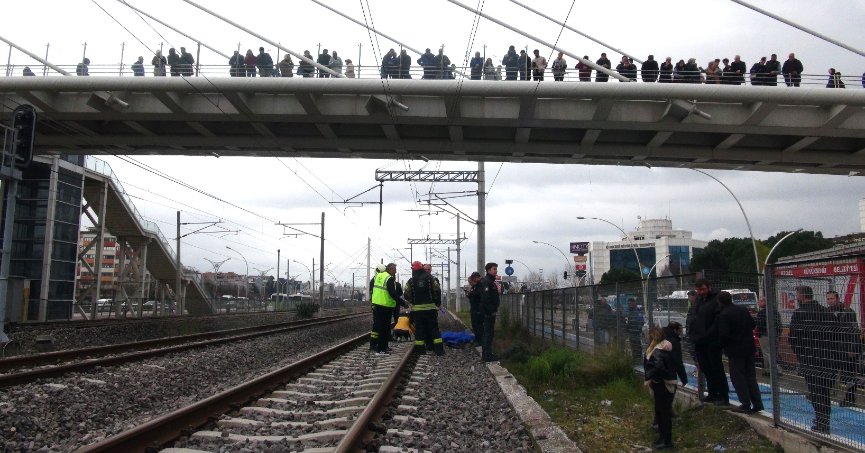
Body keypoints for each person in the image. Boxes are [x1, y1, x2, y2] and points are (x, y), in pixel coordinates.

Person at [788, 285, 836, 434]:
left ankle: (821, 422)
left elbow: (793, 338)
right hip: (827, 359)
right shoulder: (826, 312)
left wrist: (801, 355)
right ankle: (824, 421)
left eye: (797, 296)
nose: (796, 298)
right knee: (824, 392)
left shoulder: (799, 314)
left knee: (815, 392)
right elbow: (835, 336)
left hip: (810, 359)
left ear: (802, 296)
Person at [716, 291, 764, 413]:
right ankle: (757, 403)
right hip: (749, 347)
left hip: (735, 350)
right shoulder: (742, 310)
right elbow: (753, 324)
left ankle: (745, 403)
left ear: (720, 302)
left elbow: (724, 335)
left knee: (738, 377)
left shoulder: (723, 314)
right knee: (751, 376)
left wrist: (720, 346)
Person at [688, 279, 729, 405]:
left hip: (712, 341)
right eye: (699, 290)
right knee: (706, 368)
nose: (700, 292)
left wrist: (708, 334)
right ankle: (712, 393)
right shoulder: (699, 301)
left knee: (716, 368)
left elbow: (718, 321)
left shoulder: (716, 299)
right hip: (699, 341)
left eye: (703, 289)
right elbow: (694, 317)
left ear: (709, 288)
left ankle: (723, 395)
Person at [644, 326, 676, 450]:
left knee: (663, 413)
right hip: (665, 383)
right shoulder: (664, 348)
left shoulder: (657, 350)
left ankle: (666, 441)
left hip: (661, 384)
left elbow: (657, 366)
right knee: (662, 412)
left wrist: (650, 377)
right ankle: (663, 438)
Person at [826, 290, 860, 406]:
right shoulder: (827, 312)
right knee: (830, 372)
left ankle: (850, 399)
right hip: (833, 349)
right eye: (828, 299)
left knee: (848, 375)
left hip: (846, 348)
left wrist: (853, 349)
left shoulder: (848, 312)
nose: (830, 301)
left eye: (832, 299)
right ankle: (825, 393)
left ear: (837, 299)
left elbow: (855, 331)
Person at [404, 261, 444, 355]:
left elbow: (406, 293)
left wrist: (412, 301)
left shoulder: (410, 281)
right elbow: (437, 290)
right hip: (430, 309)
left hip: (417, 310)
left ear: (413, 269)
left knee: (419, 330)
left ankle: (420, 350)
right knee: (434, 329)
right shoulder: (431, 278)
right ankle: (439, 350)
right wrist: (437, 302)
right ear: (421, 268)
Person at [370, 263, 406, 354]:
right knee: (384, 328)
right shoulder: (389, 278)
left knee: (383, 328)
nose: (396, 271)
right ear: (390, 269)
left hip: (378, 305)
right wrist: (403, 303)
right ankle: (381, 350)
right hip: (386, 306)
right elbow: (393, 294)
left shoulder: (378, 276)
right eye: (394, 269)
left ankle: (384, 347)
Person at [479, 262, 501, 362]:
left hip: (490, 312)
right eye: (494, 269)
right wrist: (491, 311)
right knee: (488, 333)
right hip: (488, 313)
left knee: (489, 333)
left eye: (496, 269)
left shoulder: (490, 281)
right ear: (488, 270)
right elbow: (485, 299)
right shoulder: (486, 282)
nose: (496, 271)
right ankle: (486, 356)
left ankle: (488, 354)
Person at [755, 297, 782, 376]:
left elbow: (759, 324)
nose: (758, 303)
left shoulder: (762, 313)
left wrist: (758, 330)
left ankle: (771, 370)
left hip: (764, 334)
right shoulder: (775, 312)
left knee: (766, 352)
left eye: (759, 301)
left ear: (764, 302)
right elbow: (779, 324)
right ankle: (776, 369)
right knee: (774, 352)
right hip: (774, 334)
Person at [466, 271, 484, 346]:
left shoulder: (481, 285)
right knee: (475, 325)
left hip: (478, 309)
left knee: (479, 326)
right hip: (474, 308)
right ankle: (477, 339)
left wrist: (471, 293)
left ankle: (480, 341)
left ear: (478, 277)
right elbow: (473, 296)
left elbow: (479, 295)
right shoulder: (475, 287)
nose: (472, 281)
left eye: (473, 278)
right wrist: (469, 294)